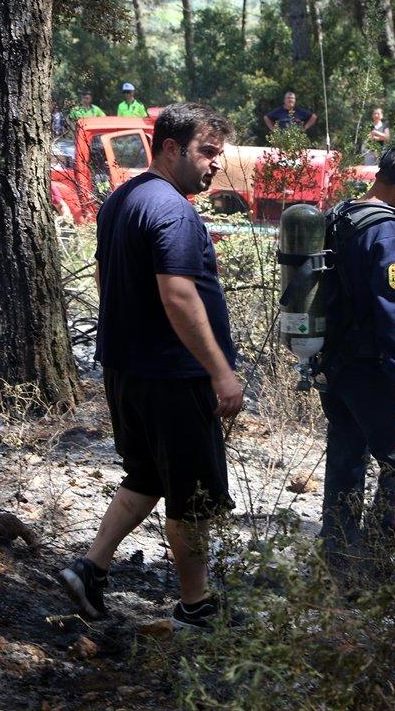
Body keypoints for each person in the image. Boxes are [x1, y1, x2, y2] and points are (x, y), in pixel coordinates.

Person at [56, 103, 243, 630]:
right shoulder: (172, 210)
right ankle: (195, 606)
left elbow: (102, 274)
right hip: (172, 376)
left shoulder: (122, 200)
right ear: (168, 148)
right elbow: (180, 295)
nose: (214, 164)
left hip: (126, 370)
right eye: (207, 152)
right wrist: (221, 371)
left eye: (219, 153)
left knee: (146, 475)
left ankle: (89, 570)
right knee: (192, 494)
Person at [317, 142, 395, 561]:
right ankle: (379, 557)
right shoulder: (390, 232)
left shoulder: (342, 214)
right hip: (372, 370)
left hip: (334, 367)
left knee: (346, 457)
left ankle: (337, 557)